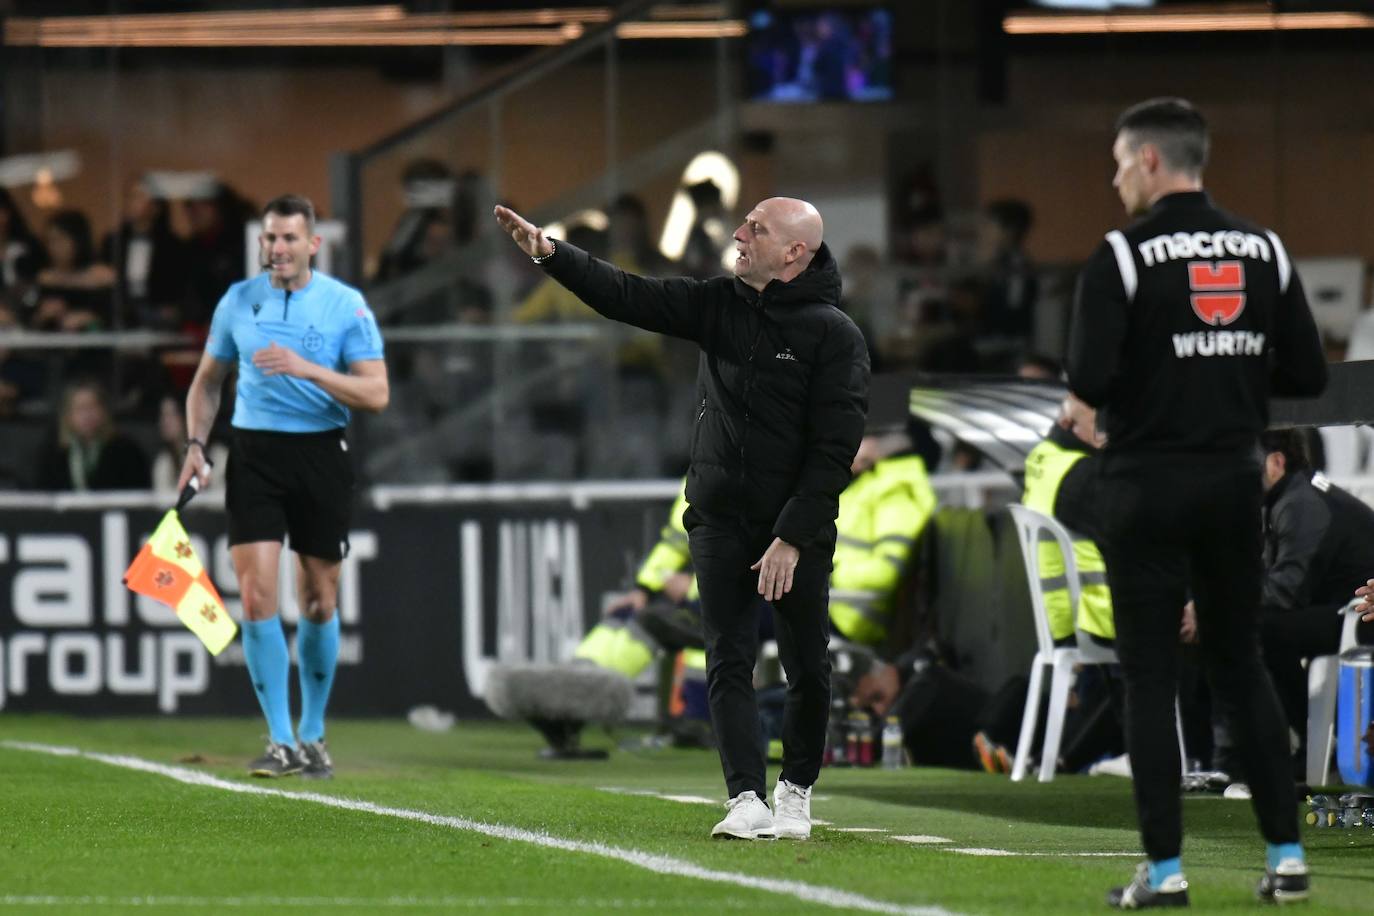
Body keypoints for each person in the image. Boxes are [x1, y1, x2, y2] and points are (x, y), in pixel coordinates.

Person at [494, 196, 869, 841]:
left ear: (794, 253)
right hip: (719, 517)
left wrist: (791, 537)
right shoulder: (719, 304)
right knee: (727, 654)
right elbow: (629, 296)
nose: (740, 233)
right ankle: (746, 796)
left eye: (757, 228)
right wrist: (553, 255)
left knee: (808, 663)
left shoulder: (834, 335)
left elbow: (834, 451)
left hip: (794, 531)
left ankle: (795, 789)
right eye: (745, 222)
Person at [1066, 98, 1327, 907]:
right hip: (1230, 481)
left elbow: (1089, 380)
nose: (1114, 180)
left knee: (1148, 676)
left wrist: (1158, 383)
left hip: (1145, 481)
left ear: (1149, 160)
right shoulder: (1266, 248)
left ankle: (1167, 872)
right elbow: (1310, 375)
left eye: (1117, 163)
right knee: (1237, 659)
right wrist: (1229, 378)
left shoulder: (1123, 252)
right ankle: (1286, 859)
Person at [179, 194, 388, 780]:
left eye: (289, 238)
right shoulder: (238, 301)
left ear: (313, 244)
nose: (277, 248)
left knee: (320, 597)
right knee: (255, 595)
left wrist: (308, 369)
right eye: (269, 238)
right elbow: (206, 382)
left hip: (321, 453)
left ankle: (314, 734)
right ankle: (280, 740)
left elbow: (376, 393)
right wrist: (196, 446)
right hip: (254, 454)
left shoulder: (346, 306)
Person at [1254, 429, 1374, 761]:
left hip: (1360, 614)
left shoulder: (1299, 503)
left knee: (1263, 631)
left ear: (1276, 462)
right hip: (1347, 608)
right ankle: (1316, 738)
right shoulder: (1291, 495)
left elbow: (1284, 592)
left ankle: (1321, 740)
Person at [35, 378, 150, 491]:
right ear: (68, 416)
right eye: (80, 409)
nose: (87, 416)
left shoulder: (126, 451)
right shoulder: (52, 454)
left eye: (92, 407)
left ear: (104, 412)